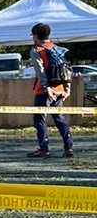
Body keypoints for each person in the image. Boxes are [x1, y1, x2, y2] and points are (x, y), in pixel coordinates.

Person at [28, 22, 74, 160]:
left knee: (39, 120)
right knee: (59, 119)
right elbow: (66, 69)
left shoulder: (36, 50)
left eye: (33, 36)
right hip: (59, 89)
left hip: (44, 91)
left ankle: (44, 149)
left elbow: (40, 71)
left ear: (36, 36)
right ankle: (68, 147)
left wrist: (46, 87)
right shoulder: (57, 48)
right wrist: (67, 88)